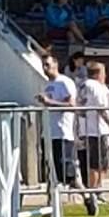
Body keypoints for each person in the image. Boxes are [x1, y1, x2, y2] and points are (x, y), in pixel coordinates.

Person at [77, 61, 109, 216]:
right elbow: (101, 108)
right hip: (98, 130)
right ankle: (94, 193)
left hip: (86, 129)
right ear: (99, 73)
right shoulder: (95, 86)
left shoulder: (83, 85)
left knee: (100, 163)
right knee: (97, 164)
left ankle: (96, 191)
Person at [36, 55, 79, 188]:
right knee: (50, 171)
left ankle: (87, 197)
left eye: (47, 65)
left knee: (67, 175)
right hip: (49, 133)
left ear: (56, 64)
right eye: (43, 65)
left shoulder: (64, 82)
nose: (45, 68)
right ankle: (51, 201)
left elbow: (72, 106)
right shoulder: (47, 85)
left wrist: (49, 102)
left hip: (62, 133)